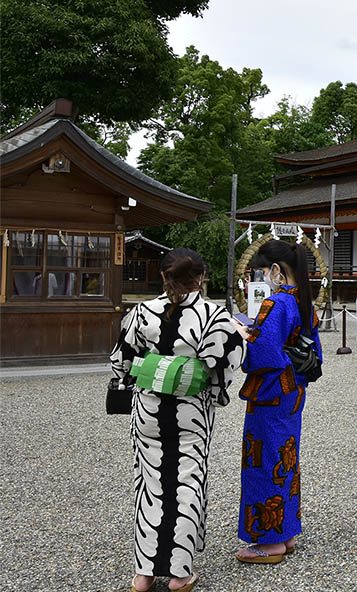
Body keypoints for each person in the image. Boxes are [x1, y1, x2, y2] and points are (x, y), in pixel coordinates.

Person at [111, 248, 245, 592]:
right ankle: (179, 574)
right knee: (186, 483)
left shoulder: (142, 312)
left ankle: (142, 575)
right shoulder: (214, 316)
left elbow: (121, 360)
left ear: (163, 277)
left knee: (151, 485)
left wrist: (132, 383)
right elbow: (228, 362)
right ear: (201, 277)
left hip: (149, 410)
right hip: (191, 412)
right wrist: (214, 391)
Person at [235, 241, 322, 564]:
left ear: (275, 270)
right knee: (286, 457)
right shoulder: (304, 301)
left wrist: (245, 334)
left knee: (265, 459)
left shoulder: (275, 303)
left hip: (270, 392)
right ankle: (285, 531)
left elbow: (264, 353)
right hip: (293, 390)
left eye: (263, 270)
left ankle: (269, 540)